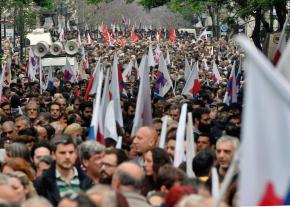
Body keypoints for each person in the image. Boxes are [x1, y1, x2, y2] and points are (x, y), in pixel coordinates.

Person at [35, 135, 92, 206]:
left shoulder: (88, 179)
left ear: (76, 154)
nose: (67, 157)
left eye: (71, 152)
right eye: (62, 153)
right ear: (53, 155)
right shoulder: (42, 182)